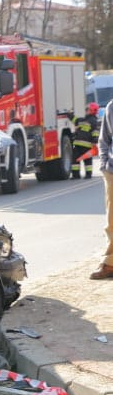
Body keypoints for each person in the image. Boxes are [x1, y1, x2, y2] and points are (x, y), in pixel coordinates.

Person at [90, 99, 113, 279]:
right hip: (112, 171)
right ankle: (109, 263)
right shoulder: (111, 106)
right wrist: (104, 164)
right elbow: (104, 139)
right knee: (112, 222)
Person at [69, 102, 100, 179]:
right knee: (77, 160)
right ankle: (81, 175)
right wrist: (70, 114)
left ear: (91, 110)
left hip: (86, 145)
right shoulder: (83, 119)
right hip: (80, 144)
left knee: (84, 160)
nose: (86, 110)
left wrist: (95, 141)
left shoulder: (93, 121)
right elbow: (75, 120)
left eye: (87, 109)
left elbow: (95, 132)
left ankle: (84, 175)